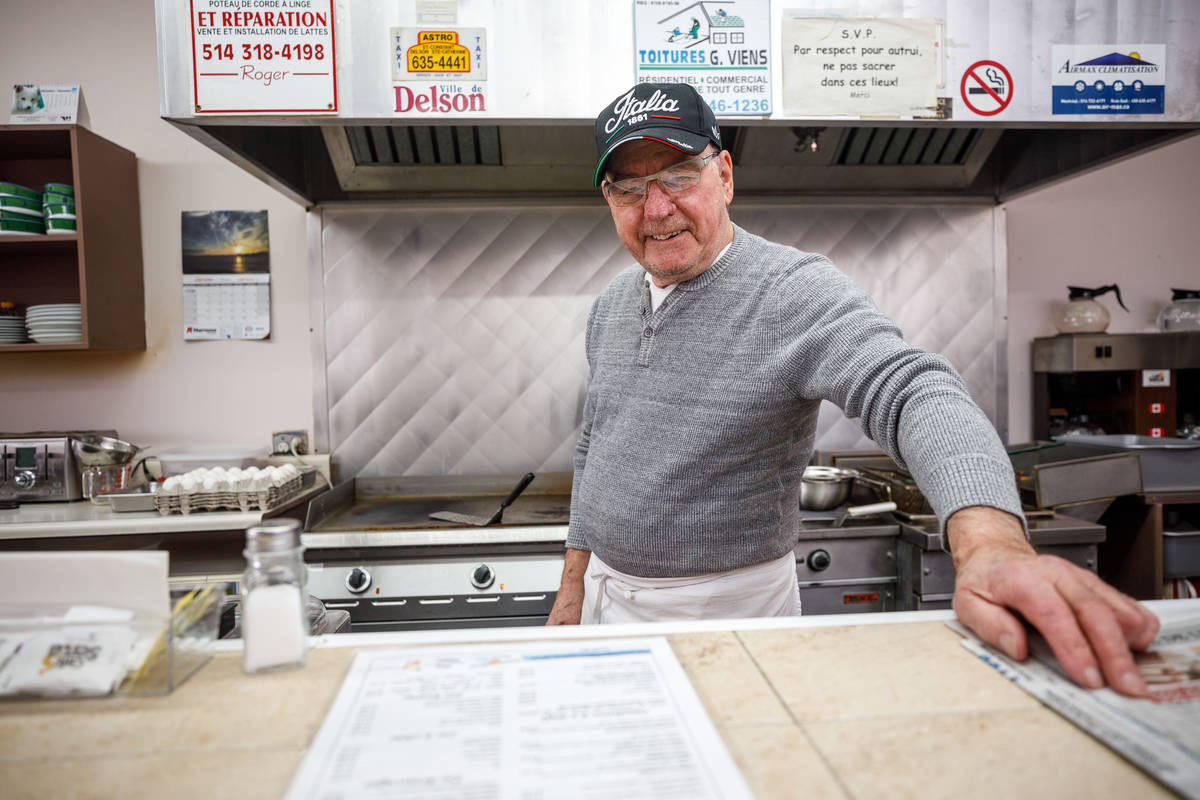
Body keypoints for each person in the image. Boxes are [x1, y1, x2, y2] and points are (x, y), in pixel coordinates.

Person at [545, 81, 1160, 698]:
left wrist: (992, 545)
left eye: (678, 174)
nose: (655, 208)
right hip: (606, 608)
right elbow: (597, 444)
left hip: (731, 620)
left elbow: (914, 389)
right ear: (609, 199)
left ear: (724, 175)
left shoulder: (790, 290)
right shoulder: (612, 305)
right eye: (629, 188)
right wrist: (573, 586)